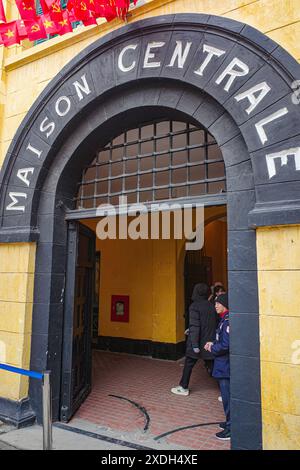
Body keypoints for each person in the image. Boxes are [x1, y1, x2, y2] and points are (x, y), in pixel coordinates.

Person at [171, 283, 217, 396]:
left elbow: (195, 326)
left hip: (197, 343)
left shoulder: (194, 306)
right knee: (214, 366)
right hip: (209, 342)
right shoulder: (212, 305)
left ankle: (183, 387)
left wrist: (195, 345)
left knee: (188, 365)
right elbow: (210, 324)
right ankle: (226, 391)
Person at [204, 293, 230, 440]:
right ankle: (229, 422)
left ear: (224, 305)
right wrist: (213, 343)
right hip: (223, 364)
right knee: (226, 397)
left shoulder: (227, 321)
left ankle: (231, 428)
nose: (215, 306)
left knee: (228, 397)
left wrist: (213, 348)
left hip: (225, 365)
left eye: (217, 304)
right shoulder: (223, 320)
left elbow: (226, 345)